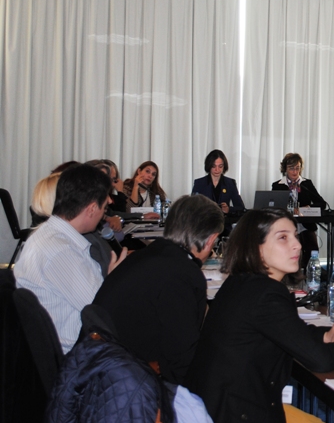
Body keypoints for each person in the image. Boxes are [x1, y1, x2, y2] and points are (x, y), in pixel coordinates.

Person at [185, 209, 334, 423]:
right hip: (235, 415)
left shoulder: (242, 282)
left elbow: (289, 330)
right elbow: (320, 361)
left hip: (214, 407)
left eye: (295, 236)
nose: (297, 245)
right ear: (256, 247)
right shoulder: (265, 294)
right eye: (283, 238)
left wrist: (327, 335)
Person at [92, 195, 225, 384]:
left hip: (99, 368)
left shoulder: (146, 256)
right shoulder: (182, 273)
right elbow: (183, 360)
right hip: (125, 384)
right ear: (210, 240)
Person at [13, 164, 127, 353]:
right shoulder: (60, 251)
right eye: (105, 204)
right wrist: (114, 281)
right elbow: (102, 312)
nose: (109, 202)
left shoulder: (53, 235)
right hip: (81, 356)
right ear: (92, 209)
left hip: (83, 346)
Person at [271, 152, 326, 269]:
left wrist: (307, 208)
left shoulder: (306, 183)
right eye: (291, 168)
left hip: (305, 224)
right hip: (286, 225)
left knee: (312, 248)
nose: (295, 172)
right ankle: (292, 273)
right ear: (285, 169)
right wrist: (288, 209)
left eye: (297, 168)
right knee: (289, 249)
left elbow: (322, 204)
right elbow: (274, 207)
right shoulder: (277, 185)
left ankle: (307, 273)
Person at [193, 149, 245, 215]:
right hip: (205, 220)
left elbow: (241, 207)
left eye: (220, 166)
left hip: (224, 220)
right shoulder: (199, 183)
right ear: (209, 166)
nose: (217, 169)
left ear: (224, 166)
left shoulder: (230, 183)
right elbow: (192, 207)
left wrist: (229, 209)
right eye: (213, 166)